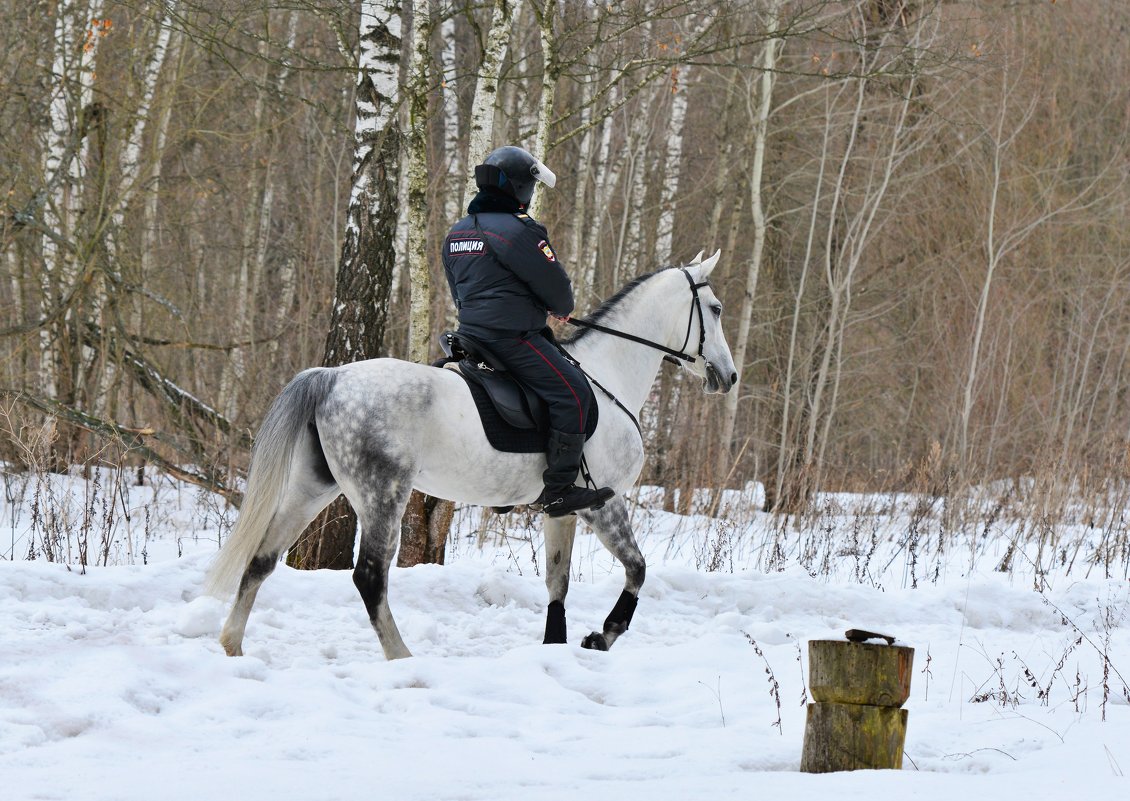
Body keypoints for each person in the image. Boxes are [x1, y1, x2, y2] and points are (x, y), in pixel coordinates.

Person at [442, 145, 615, 517]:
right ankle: (558, 490)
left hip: (470, 337)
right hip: (513, 338)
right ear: (521, 188)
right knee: (572, 393)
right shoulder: (519, 232)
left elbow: (457, 290)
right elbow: (557, 289)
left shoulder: (456, 233)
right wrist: (561, 310)